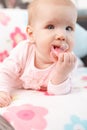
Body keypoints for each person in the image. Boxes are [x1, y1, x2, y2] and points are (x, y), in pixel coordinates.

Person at [0, 0, 77, 107]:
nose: (62, 35)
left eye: (69, 28)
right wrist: (2, 91)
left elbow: (57, 92)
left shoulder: (68, 62)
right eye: (50, 27)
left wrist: (62, 73)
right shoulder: (24, 50)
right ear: (31, 34)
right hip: (13, 83)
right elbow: (5, 72)